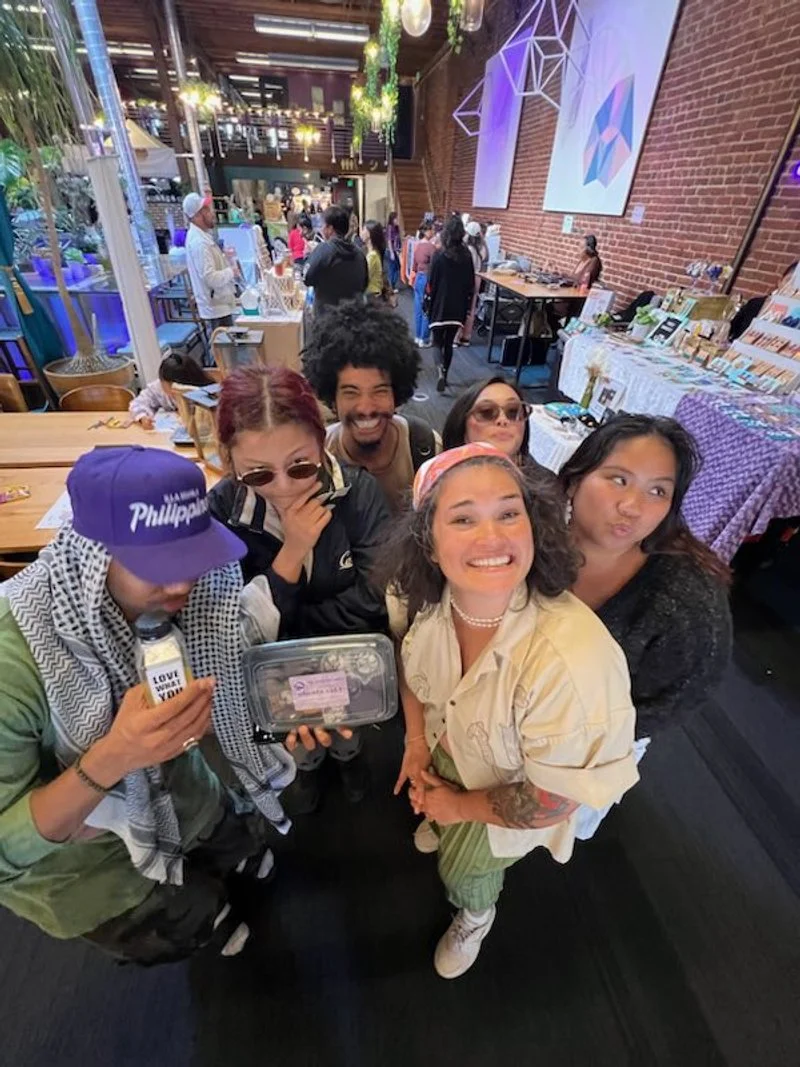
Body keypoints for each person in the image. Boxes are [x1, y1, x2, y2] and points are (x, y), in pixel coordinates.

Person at [0, 447, 295, 964]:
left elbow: (228, 675)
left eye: (191, 558)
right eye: (156, 566)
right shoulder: (15, 664)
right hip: (91, 867)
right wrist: (116, 755)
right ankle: (207, 924)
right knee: (182, 919)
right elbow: (7, 852)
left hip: (188, 791)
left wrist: (286, 713)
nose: (181, 584)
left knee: (233, 839)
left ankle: (235, 872)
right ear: (92, 556)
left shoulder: (196, 592)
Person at [377, 444, 638, 978]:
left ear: (533, 526)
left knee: (463, 873)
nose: (492, 537)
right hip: (444, 749)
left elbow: (552, 799)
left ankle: (475, 913)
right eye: (463, 518)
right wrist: (417, 743)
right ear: (428, 544)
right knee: (436, 817)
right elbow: (410, 662)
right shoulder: (425, 599)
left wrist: (457, 808)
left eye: (508, 513)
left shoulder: (572, 660)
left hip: (507, 792)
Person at [208, 366, 390, 811]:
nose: (285, 489)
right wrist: (291, 554)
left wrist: (286, 635)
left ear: (322, 444)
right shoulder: (221, 511)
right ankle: (306, 770)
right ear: (230, 463)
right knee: (298, 743)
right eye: (258, 475)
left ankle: (348, 760)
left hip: (346, 663)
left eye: (301, 466)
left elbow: (374, 597)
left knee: (347, 734)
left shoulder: (359, 494)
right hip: (272, 679)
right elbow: (223, 625)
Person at [559, 417, 732, 821]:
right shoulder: (528, 541)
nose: (632, 507)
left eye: (658, 491)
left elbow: (669, 702)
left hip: (587, 750)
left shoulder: (688, 605)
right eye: (619, 480)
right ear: (574, 479)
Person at [303, 299, 441, 514]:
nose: (366, 408)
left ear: (396, 394)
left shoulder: (426, 448)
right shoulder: (319, 458)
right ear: (333, 398)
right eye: (351, 392)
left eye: (380, 391)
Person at [442, 375, 552, 480]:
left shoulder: (550, 484)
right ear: (462, 425)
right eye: (486, 412)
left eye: (513, 412)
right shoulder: (438, 483)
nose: (503, 420)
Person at [428, 216, 475, 394]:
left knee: (436, 342)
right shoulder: (467, 256)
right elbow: (471, 284)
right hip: (458, 307)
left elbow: (431, 282)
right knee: (448, 343)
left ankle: (439, 371)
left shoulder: (439, 255)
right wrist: (468, 306)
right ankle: (446, 376)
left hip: (440, 305)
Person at [183, 192, 238, 331]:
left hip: (219, 304)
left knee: (225, 342)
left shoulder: (202, 237)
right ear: (197, 216)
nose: (212, 213)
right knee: (221, 343)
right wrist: (231, 272)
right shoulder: (199, 243)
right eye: (206, 210)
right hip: (215, 308)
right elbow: (210, 278)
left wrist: (223, 257)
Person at [304, 205, 368, 312]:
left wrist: (310, 256)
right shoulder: (360, 253)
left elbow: (307, 278)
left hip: (327, 315)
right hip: (353, 314)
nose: (321, 229)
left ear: (330, 229)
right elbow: (364, 284)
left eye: (323, 225)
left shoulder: (323, 250)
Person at [129, 353, 214, 429]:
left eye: (176, 386)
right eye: (167, 384)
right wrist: (143, 417)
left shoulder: (204, 391)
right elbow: (138, 403)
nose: (172, 391)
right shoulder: (158, 387)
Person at [458, 221, 488, 346]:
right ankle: (466, 337)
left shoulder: (466, 248)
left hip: (465, 277)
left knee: (460, 307)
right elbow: (485, 261)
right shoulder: (482, 247)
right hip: (478, 278)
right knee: (471, 308)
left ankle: (456, 337)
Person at [412, 222, 436, 347]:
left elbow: (414, 266)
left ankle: (417, 336)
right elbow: (435, 265)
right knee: (427, 308)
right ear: (427, 231)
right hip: (427, 279)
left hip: (418, 278)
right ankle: (424, 338)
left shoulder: (417, 245)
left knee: (418, 308)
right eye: (432, 230)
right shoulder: (431, 247)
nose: (434, 232)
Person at [363, 219, 388, 300]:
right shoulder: (374, 253)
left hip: (372, 295)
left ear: (369, 234)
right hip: (374, 294)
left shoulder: (372, 256)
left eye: (364, 229)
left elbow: (364, 277)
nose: (362, 232)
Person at [385, 211, 402, 292]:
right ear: (392, 219)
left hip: (395, 250)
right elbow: (389, 240)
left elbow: (398, 238)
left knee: (397, 267)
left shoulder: (396, 227)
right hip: (390, 251)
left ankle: (392, 285)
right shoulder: (390, 227)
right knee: (392, 268)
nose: (398, 220)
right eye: (396, 219)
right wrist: (392, 253)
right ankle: (391, 287)